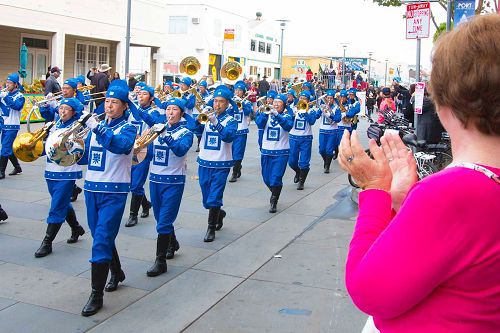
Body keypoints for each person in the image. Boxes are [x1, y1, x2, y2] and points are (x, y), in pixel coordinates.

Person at [340, 14, 500, 332]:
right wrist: (402, 204)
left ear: (443, 103)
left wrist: (374, 189)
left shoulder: (454, 192)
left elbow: (369, 291)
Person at [78, 80, 137, 317]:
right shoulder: (97, 125)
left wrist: (97, 128)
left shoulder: (128, 128)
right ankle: (117, 270)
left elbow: (120, 146)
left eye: (115, 103)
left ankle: (96, 294)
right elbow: (86, 157)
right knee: (100, 234)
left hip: (114, 191)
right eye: (107, 101)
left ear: (124, 106)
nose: (109, 106)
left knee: (101, 238)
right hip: (91, 188)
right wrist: (70, 148)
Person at [146, 98, 193, 276]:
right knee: (160, 218)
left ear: (181, 113)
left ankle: (160, 261)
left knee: (164, 221)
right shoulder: (157, 128)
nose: (170, 112)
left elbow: (180, 150)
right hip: (155, 179)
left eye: (174, 109)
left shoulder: (185, 132)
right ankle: (173, 243)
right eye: (168, 109)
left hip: (173, 180)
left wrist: (165, 135)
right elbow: (149, 152)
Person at [34, 98, 86, 258]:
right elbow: (46, 149)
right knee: (62, 202)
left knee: (56, 205)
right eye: (61, 108)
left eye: (66, 109)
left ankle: (47, 242)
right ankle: (76, 227)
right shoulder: (54, 125)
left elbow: (78, 150)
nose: (62, 111)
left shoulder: (76, 128)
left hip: (67, 171)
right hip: (51, 170)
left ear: (73, 112)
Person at [197, 85, 237, 242]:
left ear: (227, 103)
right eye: (215, 101)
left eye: (221, 102)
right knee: (207, 200)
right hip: (205, 162)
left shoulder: (231, 120)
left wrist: (216, 122)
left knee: (214, 197)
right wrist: (199, 118)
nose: (217, 104)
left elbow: (228, 136)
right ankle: (219, 213)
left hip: (221, 163)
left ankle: (210, 228)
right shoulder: (206, 116)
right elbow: (194, 129)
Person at [125, 84, 164, 227]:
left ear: (152, 98)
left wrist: (132, 105)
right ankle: (146, 204)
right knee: (131, 183)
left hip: (144, 150)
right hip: (129, 148)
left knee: (136, 184)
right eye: (139, 93)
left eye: (144, 94)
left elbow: (150, 120)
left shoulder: (155, 111)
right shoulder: (131, 109)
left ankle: (133, 215)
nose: (140, 96)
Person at [255, 94, 293, 213]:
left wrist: (276, 115)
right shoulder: (266, 114)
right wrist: (265, 114)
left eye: (279, 102)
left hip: (281, 152)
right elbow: (259, 124)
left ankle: (274, 200)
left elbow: (288, 126)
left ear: (284, 105)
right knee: (266, 179)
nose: (275, 104)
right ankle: (276, 191)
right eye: (274, 102)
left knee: (275, 178)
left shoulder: (287, 115)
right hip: (266, 151)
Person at [288, 91, 318, 190]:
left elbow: (312, 121)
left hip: (306, 138)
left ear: (308, 101)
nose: (302, 100)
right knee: (292, 161)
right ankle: (298, 172)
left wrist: (305, 111)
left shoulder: (312, 110)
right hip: (293, 137)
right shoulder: (293, 108)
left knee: (304, 162)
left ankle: (301, 181)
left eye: (304, 98)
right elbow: (288, 120)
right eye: (300, 98)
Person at [0, 73, 26, 179]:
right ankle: (17, 167)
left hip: (12, 125)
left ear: (15, 84)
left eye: (10, 83)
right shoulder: (4, 93)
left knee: (5, 148)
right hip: (3, 124)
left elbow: (16, 106)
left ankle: (1, 172)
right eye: (7, 82)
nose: (7, 84)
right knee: (8, 147)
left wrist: (5, 97)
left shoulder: (20, 96)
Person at [228, 80, 252, 183]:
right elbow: (227, 114)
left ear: (243, 92)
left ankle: (234, 173)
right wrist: (232, 105)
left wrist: (241, 102)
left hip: (241, 130)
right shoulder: (231, 101)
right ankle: (238, 166)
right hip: (232, 130)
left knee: (238, 152)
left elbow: (247, 111)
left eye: (240, 90)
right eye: (236, 90)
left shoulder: (246, 102)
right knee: (230, 152)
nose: (237, 92)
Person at [316, 90, 342, 173]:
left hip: (332, 131)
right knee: (321, 150)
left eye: (331, 98)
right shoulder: (323, 106)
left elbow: (338, 119)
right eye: (328, 98)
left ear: (333, 99)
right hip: (322, 130)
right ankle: (326, 161)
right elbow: (316, 116)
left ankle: (327, 166)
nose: (329, 100)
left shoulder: (336, 108)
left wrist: (330, 115)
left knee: (329, 150)